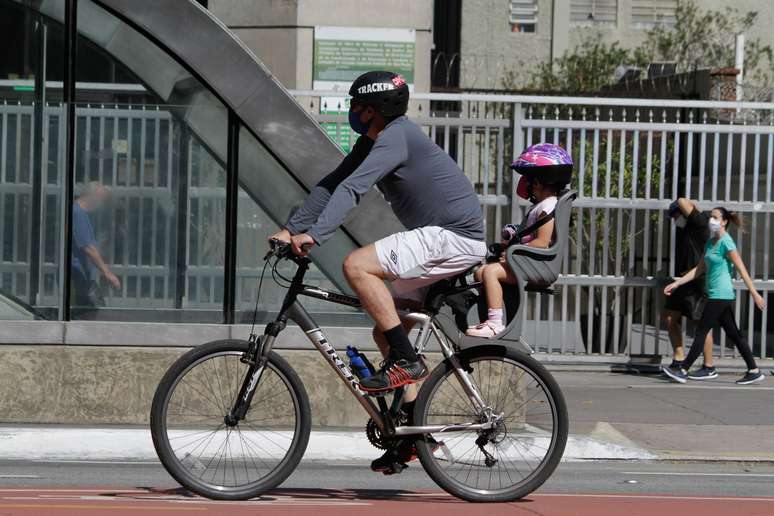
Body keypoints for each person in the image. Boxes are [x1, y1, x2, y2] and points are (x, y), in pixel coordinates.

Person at [268, 70, 486, 472]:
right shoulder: (376, 139)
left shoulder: (395, 138)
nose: (353, 112)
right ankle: (415, 435)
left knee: (358, 265)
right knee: (387, 327)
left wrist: (317, 235)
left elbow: (355, 189)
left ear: (378, 109)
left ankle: (408, 362)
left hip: (453, 236)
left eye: (358, 106)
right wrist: (292, 227)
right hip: (442, 237)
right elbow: (335, 183)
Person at [465, 143, 571, 338]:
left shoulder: (547, 208)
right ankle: (489, 314)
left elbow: (542, 242)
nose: (525, 184)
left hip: (532, 264)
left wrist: (514, 253)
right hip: (526, 262)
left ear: (537, 183)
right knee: (480, 273)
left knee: (489, 272)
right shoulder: (543, 206)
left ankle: (495, 323)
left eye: (528, 179)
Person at [662, 208, 766, 385]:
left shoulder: (727, 242)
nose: (711, 220)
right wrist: (677, 283)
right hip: (716, 294)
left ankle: (683, 370)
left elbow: (742, 269)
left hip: (721, 294)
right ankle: (754, 370)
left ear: (724, 222)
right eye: (711, 217)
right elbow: (699, 269)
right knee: (734, 333)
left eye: (715, 217)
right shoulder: (711, 242)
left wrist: (755, 293)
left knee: (701, 331)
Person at [661, 198, 715, 380]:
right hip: (683, 280)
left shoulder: (699, 223)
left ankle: (708, 366)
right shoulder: (684, 229)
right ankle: (678, 358)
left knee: (701, 325)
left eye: (676, 214)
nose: (675, 219)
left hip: (698, 280)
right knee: (669, 317)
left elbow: (682, 200)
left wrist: (691, 205)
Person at [71, 182, 121, 318]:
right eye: (101, 199)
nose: (101, 204)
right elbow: (88, 248)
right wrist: (107, 273)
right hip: (77, 275)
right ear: (93, 197)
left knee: (91, 313)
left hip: (83, 275)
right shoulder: (77, 213)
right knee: (90, 314)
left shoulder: (82, 214)